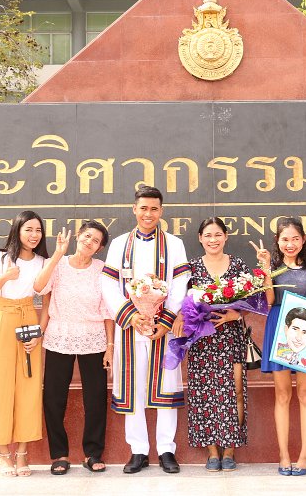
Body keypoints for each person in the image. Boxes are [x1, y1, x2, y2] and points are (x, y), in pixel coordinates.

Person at [100, 186, 191, 474]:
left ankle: (166, 450)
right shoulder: (118, 244)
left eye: (154, 209)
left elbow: (180, 284)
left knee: (166, 387)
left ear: (161, 211)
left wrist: (166, 321)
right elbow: (108, 286)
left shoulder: (174, 244)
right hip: (130, 328)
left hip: (163, 329)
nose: (148, 213)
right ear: (134, 209)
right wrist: (131, 316)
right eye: (143, 208)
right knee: (133, 388)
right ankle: (138, 450)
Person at [33, 221, 113, 475]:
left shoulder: (102, 270)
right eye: (87, 236)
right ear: (78, 236)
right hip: (60, 335)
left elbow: (108, 311)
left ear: (99, 248)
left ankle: (93, 453)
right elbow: (38, 287)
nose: (89, 242)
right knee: (54, 397)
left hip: (94, 337)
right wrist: (57, 254)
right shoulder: (58, 264)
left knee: (96, 397)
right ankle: (59, 454)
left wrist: (110, 346)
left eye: (95, 241)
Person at [253, 217, 306, 476]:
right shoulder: (273, 265)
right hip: (280, 329)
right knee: (282, 395)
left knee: (305, 395)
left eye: (295, 238)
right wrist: (265, 269)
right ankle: (284, 455)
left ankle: (305, 456)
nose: (290, 244)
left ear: (303, 240)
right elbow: (271, 299)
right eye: (285, 239)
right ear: (277, 241)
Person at [172, 217, 249, 472]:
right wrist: (187, 316)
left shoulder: (237, 265)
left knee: (234, 391)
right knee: (204, 394)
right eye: (208, 235)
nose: (213, 240)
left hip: (231, 336)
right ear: (200, 238)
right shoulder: (191, 269)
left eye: (218, 235)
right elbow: (182, 302)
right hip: (202, 340)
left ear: (225, 237)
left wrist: (233, 314)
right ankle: (212, 452)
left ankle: (230, 450)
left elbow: (251, 300)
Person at [0, 210, 49, 477]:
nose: (33, 235)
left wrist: (38, 333)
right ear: (18, 230)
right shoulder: (1, 258)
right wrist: (4, 277)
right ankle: (3, 453)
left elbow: (46, 299)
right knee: (0, 385)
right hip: (2, 319)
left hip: (28, 318)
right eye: (28, 229)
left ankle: (22, 454)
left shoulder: (42, 262)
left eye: (38, 230)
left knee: (28, 387)